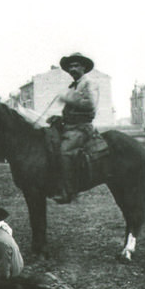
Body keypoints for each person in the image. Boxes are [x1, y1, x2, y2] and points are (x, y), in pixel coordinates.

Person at [53, 52, 100, 203]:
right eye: (70, 66)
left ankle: (70, 191)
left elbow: (90, 104)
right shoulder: (74, 86)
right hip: (69, 126)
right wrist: (59, 118)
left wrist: (67, 98)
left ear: (84, 67)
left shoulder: (89, 83)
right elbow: (73, 109)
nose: (72, 69)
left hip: (81, 127)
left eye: (76, 65)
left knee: (65, 151)